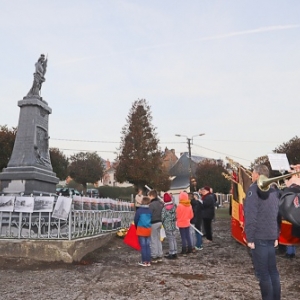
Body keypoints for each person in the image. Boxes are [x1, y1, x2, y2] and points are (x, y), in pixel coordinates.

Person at [244, 164, 281, 300]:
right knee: (273, 272)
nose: (252, 176)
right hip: (271, 236)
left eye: (253, 173)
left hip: (259, 237)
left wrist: (250, 238)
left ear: (258, 175)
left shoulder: (254, 190)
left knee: (263, 274)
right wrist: (276, 234)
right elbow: (277, 214)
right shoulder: (274, 190)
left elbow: (251, 215)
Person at [134, 196, 152, 267]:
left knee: (143, 246)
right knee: (148, 246)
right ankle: (148, 261)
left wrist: (136, 226)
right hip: (148, 230)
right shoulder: (150, 210)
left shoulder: (139, 210)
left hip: (141, 230)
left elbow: (136, 220)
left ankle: (144, 261)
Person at [148, 189, 164, 263]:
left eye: (149, 196)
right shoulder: (160, 203)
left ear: (152, 196)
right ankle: (160, 254)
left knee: (153, 239)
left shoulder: (151, 205)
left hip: (153, 222)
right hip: (160, 222)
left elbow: (149, 214)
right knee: (158, 238)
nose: (148, 197)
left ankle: (154, 255)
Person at [161, 192, 178, 259]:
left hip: (167, 225)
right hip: (173, 224)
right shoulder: (174, 207)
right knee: (173, 238)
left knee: (170, 239)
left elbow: (162, 217)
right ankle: (175, 251)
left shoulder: (164, 208)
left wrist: (162, 222)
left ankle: (172, 252)